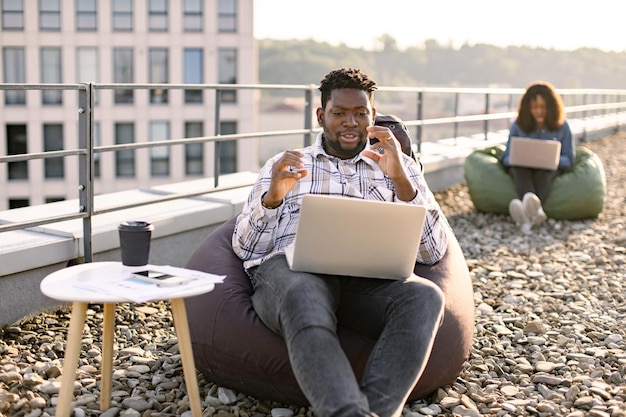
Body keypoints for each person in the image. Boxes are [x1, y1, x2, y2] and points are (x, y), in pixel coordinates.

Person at [232, 68, 450, 417]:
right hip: (293, 275)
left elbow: (434, 251)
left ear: (373, 116)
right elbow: (246, 250)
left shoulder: (398, 166)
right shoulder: (285, 165)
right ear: (321, 115)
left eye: (360, 113)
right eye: (339, 113)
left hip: (365, 283)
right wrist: (272, 199)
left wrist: (401, 180)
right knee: (303, 293)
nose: (351, 122)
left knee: (426, 296)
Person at [501, 81, 575, 234]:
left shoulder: (563, 127)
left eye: (543, 107)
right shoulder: (518, 126)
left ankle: (525, 215)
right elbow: (506, 157)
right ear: (527, 109)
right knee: (518, 169)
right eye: (535, 108)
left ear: (552, 107)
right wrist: (519, 158)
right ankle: (537, 213)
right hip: (522, 169)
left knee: (545, 172)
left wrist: (551, 159)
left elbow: (569, 159)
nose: (539, 112)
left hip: (548, 170)